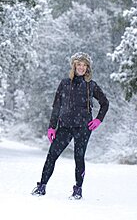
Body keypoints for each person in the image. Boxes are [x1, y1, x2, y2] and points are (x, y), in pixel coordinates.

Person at [31, 52, 109, 199]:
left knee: (79, 157)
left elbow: (105, 103)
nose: (81, 68)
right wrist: (51, 127)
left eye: (84, 65)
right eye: (79, 64)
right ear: (74, 65)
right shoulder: (65, 83)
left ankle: (78, 190)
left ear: (88, 68)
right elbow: (56, 106)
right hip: (65, 126)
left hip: (83, 127)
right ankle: (41, 186)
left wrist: (99, 119)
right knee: (52, 155)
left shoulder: (91, 85)